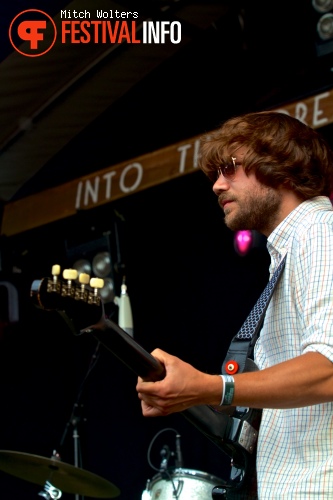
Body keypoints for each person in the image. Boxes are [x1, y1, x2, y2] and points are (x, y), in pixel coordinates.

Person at [136, 111, 333, 498]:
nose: (217, 186)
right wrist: (193, 393)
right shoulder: (287, 252)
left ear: (282, 168)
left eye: (230, 169)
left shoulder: (319, 233)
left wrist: (213, 386)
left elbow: (329, 367)